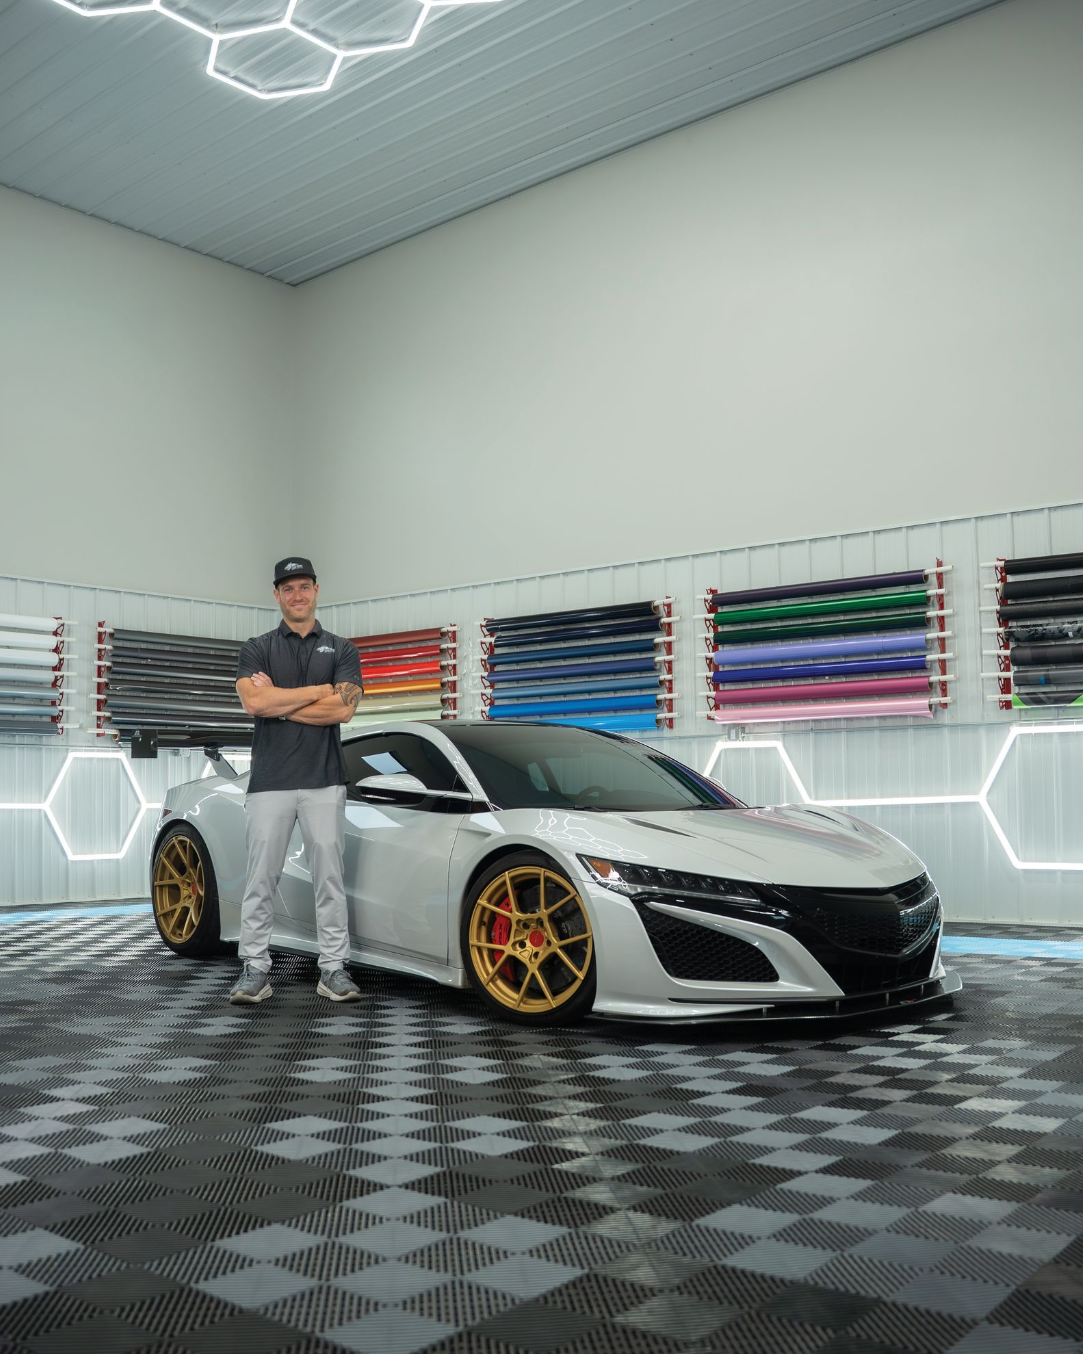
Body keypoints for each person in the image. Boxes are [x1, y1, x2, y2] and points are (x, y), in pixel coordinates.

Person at [229, 557, 364, 1005]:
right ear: (277, 595)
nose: (297, 595)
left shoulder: (342, 649)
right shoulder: (257, 647)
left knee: (329, 876)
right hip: (270, 781)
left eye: (304, 586)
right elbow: (253, 703)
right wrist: (316, 692)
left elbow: (343, 709)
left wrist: (279, 701)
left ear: (316, 590)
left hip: (325, 780)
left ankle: (334, 969)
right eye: (288, 588)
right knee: (261, 877)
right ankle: (255, 968)